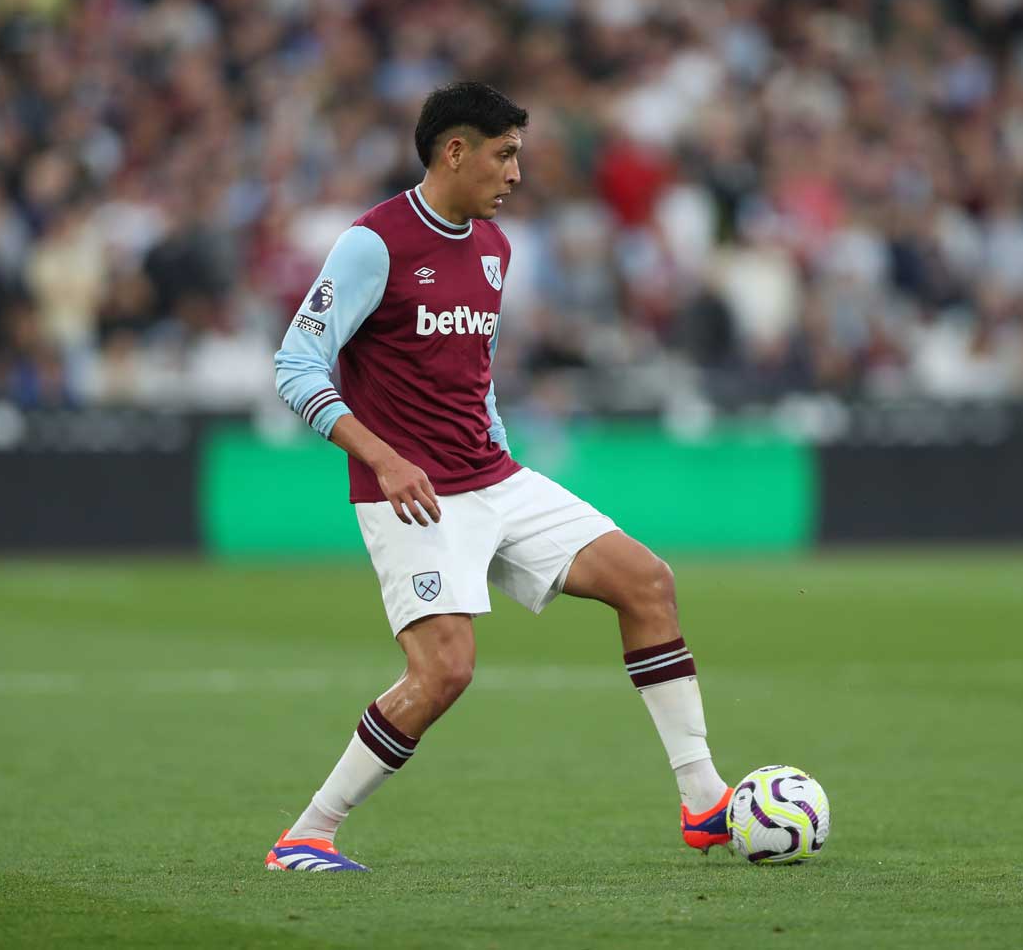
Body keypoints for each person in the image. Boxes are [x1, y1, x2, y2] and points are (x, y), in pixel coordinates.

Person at [263, 82, 733, 872]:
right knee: (445, 669)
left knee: (648, 582)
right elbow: (294, 364)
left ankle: (705, 803)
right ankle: (306, 833)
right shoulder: (372, 244)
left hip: (494, 477)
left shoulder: (494, 247)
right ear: (455, 151)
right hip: (410, 493)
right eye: (505, 153)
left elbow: (472, 373)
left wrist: (501, 451)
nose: (517, 171)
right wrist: (382, 455)